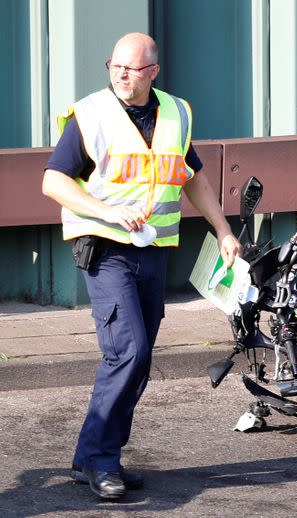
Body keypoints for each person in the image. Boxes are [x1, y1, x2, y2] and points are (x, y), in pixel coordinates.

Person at [41, 32, 241, 499]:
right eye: (116, 68)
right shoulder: (91, 114)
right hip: (105, 247)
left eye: (133, 70)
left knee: (138, 357)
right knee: (128, 350)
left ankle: (90, 454)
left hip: (153, 251)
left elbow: (192, 179)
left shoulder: (176, 112)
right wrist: (105, 211)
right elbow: (53, 180)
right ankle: (103, 462)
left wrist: (223, 230)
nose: (123, 77)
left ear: (153, 72)